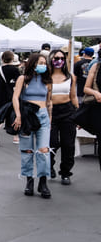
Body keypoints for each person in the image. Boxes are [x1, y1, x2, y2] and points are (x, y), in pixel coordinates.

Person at [12, 53, 53, 198]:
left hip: (42, 116)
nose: (43, 65)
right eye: (40, 62)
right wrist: (18, 115)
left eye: (44, 63)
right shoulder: (22, 79)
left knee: (43, 150)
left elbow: (49, 102)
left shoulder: (47, 80)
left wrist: (50, 119)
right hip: (27, 116)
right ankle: (29, 180)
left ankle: (43, 181)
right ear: (33, 63)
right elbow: (15, 97)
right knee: (27, 150)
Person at [48, 50, 79, 185]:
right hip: (50, 112)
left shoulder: (70, 76)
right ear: (51, 59)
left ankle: (65, 173)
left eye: (61, 58)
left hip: (67, 111)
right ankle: (49, 166)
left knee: (68, 144)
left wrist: (78, 114)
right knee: (52, 142)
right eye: (56, 58)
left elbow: (73, 96)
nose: (59, 60)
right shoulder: (45, 76)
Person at [0, 51, 21, 146]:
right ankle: (16, 137)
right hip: (11, 94)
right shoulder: (15, 70)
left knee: (1, 114)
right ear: (12, 58)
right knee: (14, 114)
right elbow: (18, 83)